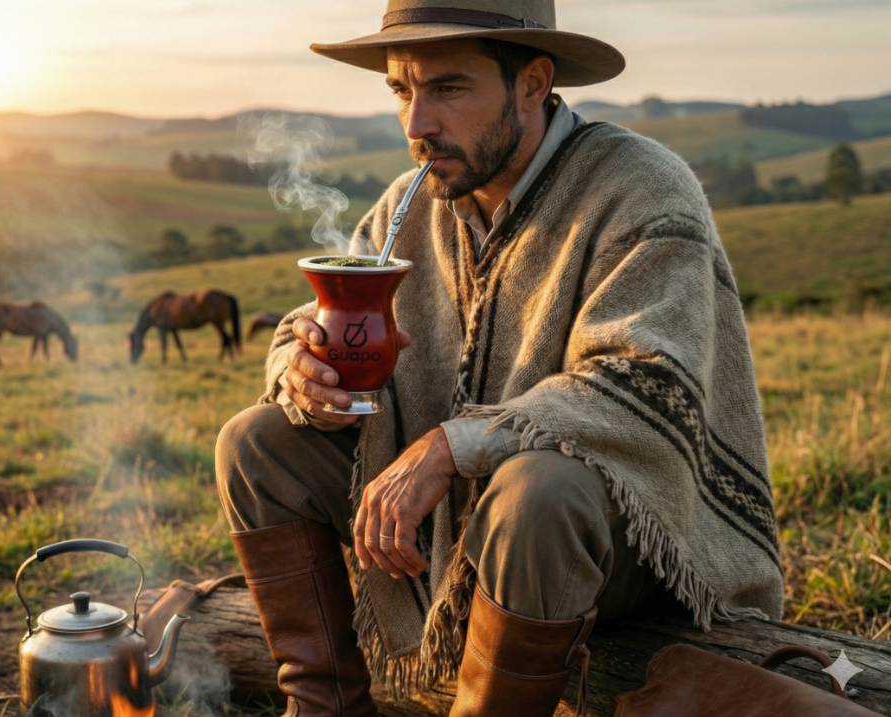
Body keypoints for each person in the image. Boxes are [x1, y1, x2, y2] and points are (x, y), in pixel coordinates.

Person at [216, 1, 784, 715]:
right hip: (460, 526)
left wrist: (448, 447)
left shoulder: (642, 187)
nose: (417, 124)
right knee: (256, 442)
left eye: (448, 88)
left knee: (536, 489)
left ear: (532, 82)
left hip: (623, 534)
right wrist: (304, 365)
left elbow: (645, 381)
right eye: (401, 90)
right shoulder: (412, 199)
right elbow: (338, 300)